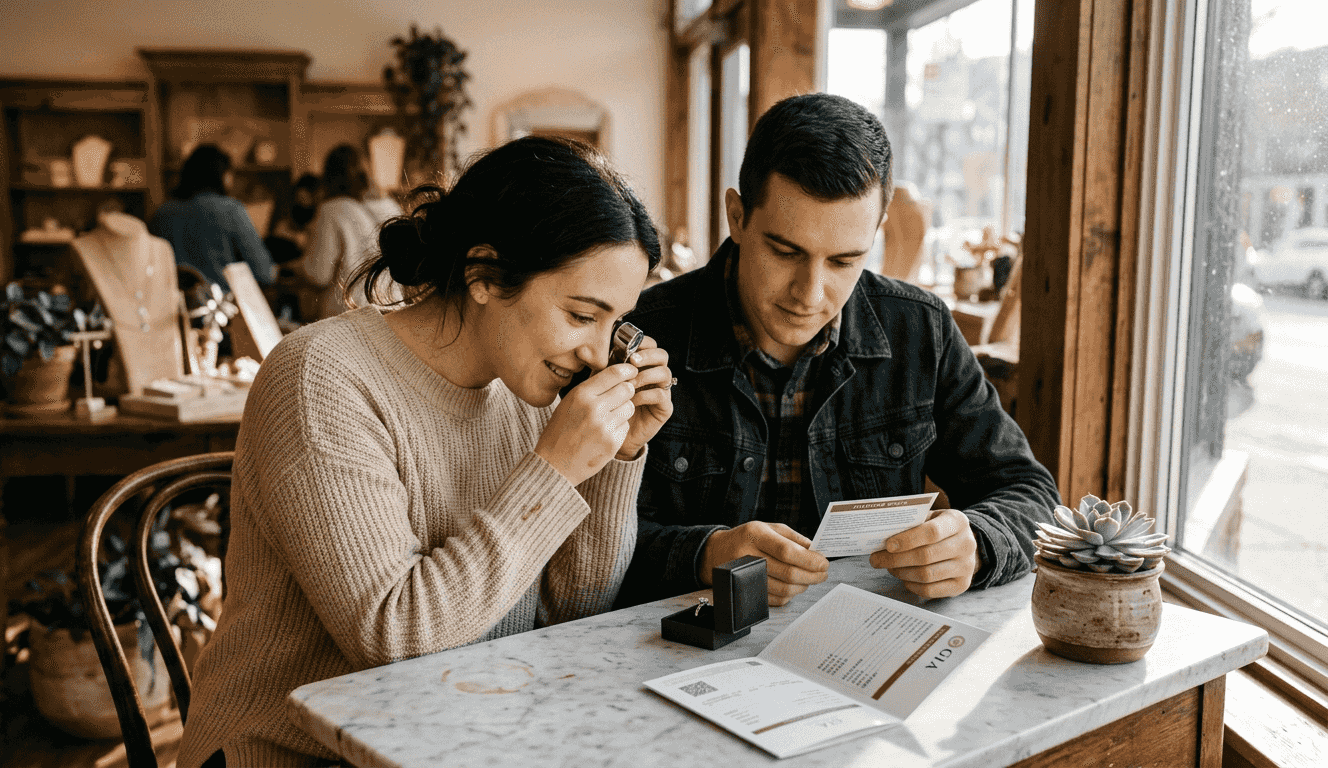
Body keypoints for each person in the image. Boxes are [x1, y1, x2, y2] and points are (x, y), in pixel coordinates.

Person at [177, 136, 674, 768]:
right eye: (580, 315)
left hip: (463, 737)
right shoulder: (321, 378)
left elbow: (572, 607)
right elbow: (395, 637)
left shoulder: (529, 388)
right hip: (296, 754)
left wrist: (617, 459)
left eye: (615, 324)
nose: (599, 357)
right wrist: (553, 471)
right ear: (485, 274)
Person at [619, 93, 1061, 609]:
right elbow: (581, 547)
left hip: (862, 645)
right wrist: (704, 553)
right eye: (786, 252)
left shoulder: (921, 330)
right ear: (737, 216)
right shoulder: (641, 336)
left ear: (876, 231)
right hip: (679, 651)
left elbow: (1030, 492)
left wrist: (978, 544)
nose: (810, 293)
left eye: (845, 261)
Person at [295, 143, 405, 319]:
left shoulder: (332, 209)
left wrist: (299, 266)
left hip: (350, 315)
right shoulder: (391, 208)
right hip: (393, 311)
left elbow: (319, 275)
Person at [149, 144, 275, 291]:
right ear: (223, 175)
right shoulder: (230, 210)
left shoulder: (162, 214)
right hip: (221, 307)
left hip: (172, 307)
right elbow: (265, 272)